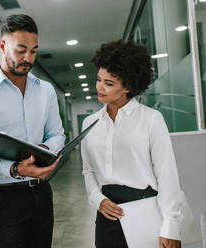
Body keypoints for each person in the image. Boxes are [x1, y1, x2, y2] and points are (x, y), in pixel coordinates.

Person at [0, 14, 65, 248]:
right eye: (21, 50)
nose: (28, 58)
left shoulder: (46, 91)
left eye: (33, 51)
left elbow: (58, 134)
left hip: (41, 193)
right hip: (3, 198)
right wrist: (15, 169)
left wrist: (45, 150)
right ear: (2, 46)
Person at [81, 40, 182, 248]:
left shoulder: (151, 119)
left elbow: (167, 173)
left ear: (128, 86)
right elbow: (88, 170)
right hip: (107, 213)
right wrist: (97, 199)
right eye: (99, 79)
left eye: (109, 83)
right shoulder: (90, 123)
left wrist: (171, 225)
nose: (99, 87)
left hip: (146, 210)